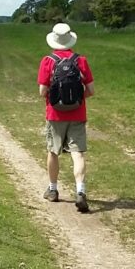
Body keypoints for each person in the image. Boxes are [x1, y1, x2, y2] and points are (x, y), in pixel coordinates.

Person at [37, 23, 95, 213]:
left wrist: (57, 100)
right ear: (70, 40)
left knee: (53, 152)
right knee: (77, 153)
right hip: (78, 114)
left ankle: (53, 190)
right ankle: (80, 191)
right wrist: (76, 100)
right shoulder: (81, 61)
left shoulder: (48, 61)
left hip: (55, 114)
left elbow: (42, 91)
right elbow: (91, 91)